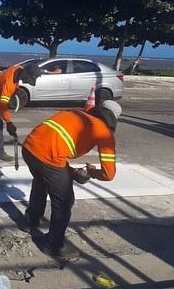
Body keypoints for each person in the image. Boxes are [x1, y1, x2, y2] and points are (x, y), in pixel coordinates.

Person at [21, 100, 122, 256]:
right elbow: (109, 175)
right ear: (114, 120)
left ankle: (30, 221)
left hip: (29, 147)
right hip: (49, 157)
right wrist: (92, 172)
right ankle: (53, 245)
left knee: (41, 181)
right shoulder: (105, 133)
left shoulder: (75, 113)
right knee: (64, 201)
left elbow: (54, 146)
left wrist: (72, 173)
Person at [0, 63, 42, 164]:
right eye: (29, 80)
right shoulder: (9, 82)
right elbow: (3, 105)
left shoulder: (19, 69)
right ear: (25, 74)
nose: (29, 83)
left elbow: (9, 87)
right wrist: (9, 122)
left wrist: (14, 91)